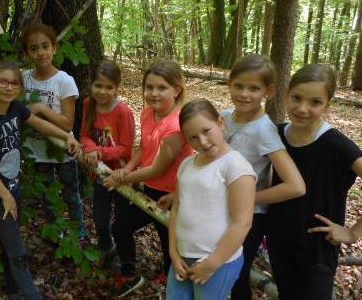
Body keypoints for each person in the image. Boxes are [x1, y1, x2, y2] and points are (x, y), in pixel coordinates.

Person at [266, 64, 362, 300]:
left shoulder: (335, 144)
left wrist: (353, 233)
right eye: (296, 98)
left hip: (316, 248)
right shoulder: (275, 134)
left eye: (315, 102)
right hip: (279, 240)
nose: (302, 108)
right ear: (285, 94)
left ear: (328, 104)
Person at [0, 61, 81, 300]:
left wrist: (67, 136)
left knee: (10, 243)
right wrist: (5, 197)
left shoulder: (15, 108)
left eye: (13, 83)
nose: (7, 87)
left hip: (13, 188)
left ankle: (13, 290)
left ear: (20, 88)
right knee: (19, 253)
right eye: (1, 81)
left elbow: (39, 123)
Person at [103, 59, 194, 297]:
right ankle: (130, 273)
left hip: (173, 194)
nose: (153, 93)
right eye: (149, 87)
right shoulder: (148, 113)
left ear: (177, 89)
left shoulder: (176, 125)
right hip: (149, 187)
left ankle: (170, 276)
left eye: (161, 87)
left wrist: (121, 179)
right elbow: (143, 148)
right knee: (122, 227)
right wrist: (128, 168)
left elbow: (157, 168)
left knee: (169, 238)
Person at [222, 54, 306, 300]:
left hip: (250, 216)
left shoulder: (264, 130)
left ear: (268, 91)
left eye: (254, 88)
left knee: (237, 274)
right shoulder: (225, 117)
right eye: (239, 85)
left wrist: (249, 198)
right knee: (222, 268)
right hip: (220, 207)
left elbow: (295, 185)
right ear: (229, 83)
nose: (245, 94)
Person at [168, 99, 256, 300]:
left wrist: (212, 264)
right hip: (182, 257)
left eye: (206, 131)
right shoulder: (187, 165)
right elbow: (176, 209)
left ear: (221, 123)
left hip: (218, 262)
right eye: (193, 138)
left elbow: (243, 222)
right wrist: (173, 252)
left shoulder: (235, 166)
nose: (203, 142)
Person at [20, 22, 87, 242]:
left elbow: (67, 124)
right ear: (27, 53)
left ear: (54, 48)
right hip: (37, 151)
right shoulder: (24, 78)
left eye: (45, 46)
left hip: (63, 149)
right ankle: (55, 236)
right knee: (47, 196)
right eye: (34, 48)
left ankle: (79, 235)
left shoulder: (64, 81)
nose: (40, 53)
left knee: (71, 194)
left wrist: (41, 108)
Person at [79, 60, 135, 259]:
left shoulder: (123, 112)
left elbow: (126, 148)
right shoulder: (88, 104)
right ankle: (106, 248)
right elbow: (84, 135)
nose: (102, 91)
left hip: (120, 174)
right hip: (100, 174)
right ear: (91, 83)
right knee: (100, 219)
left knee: (121, 222)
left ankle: (125, 258)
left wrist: (99, 152)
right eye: (98, 85)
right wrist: (90, 149)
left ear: (117, 88)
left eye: (109, 87)